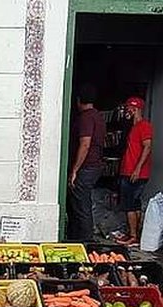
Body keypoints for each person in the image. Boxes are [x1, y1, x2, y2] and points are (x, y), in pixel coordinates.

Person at [66, 84, 106, 241]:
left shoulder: (86, 117)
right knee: (80, 203)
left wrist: (75, 169)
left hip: (86, 167)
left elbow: (85, 144)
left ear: (78, 101)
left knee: (81, 205)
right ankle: (78, 238)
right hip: (94, 166)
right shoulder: (98, 116)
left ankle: (84, 241)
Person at [116, 97, 153, 246]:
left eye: (129, 108)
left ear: (136, 108)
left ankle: (132, 236)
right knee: (135, 204)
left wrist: (137, 169)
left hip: (134, 172)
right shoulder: (134, 127)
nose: (127, 111)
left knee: (129, 205)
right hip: (130, 170)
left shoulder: (144, 126)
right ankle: (134, 234)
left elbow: (148, 146)